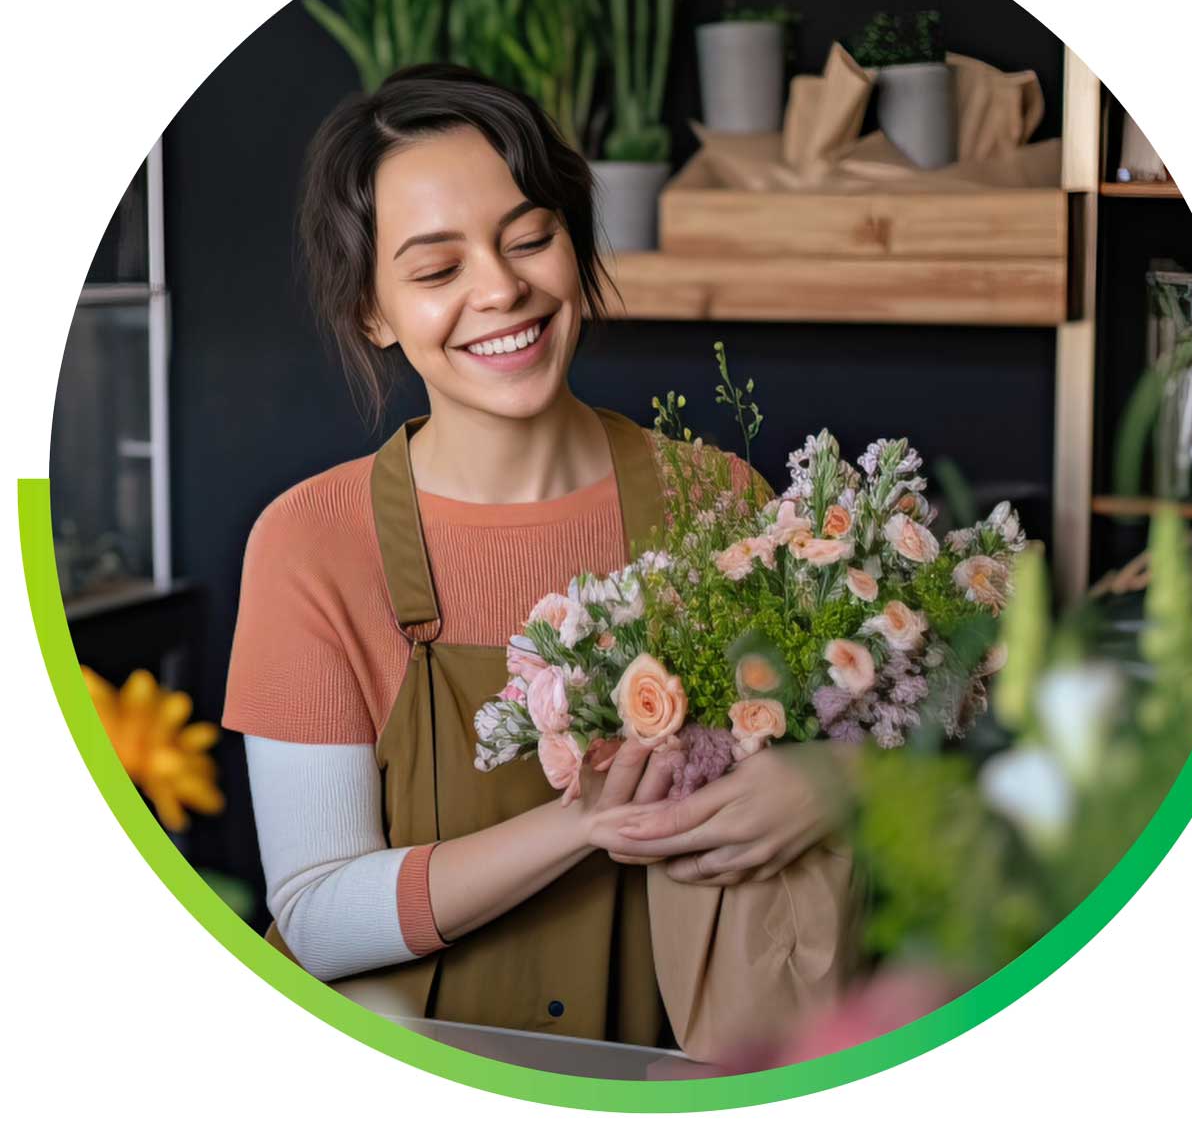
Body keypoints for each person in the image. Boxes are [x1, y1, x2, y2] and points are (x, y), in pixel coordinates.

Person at [222, 63, 857, 1043]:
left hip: (668, 1068)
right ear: (372, 312)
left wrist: (834, 781)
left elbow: (862, 748)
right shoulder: (312, 541)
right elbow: (315, 910)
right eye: (437, 270)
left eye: (529, 237)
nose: (501, 287)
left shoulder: (717, 500)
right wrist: (585, 820)